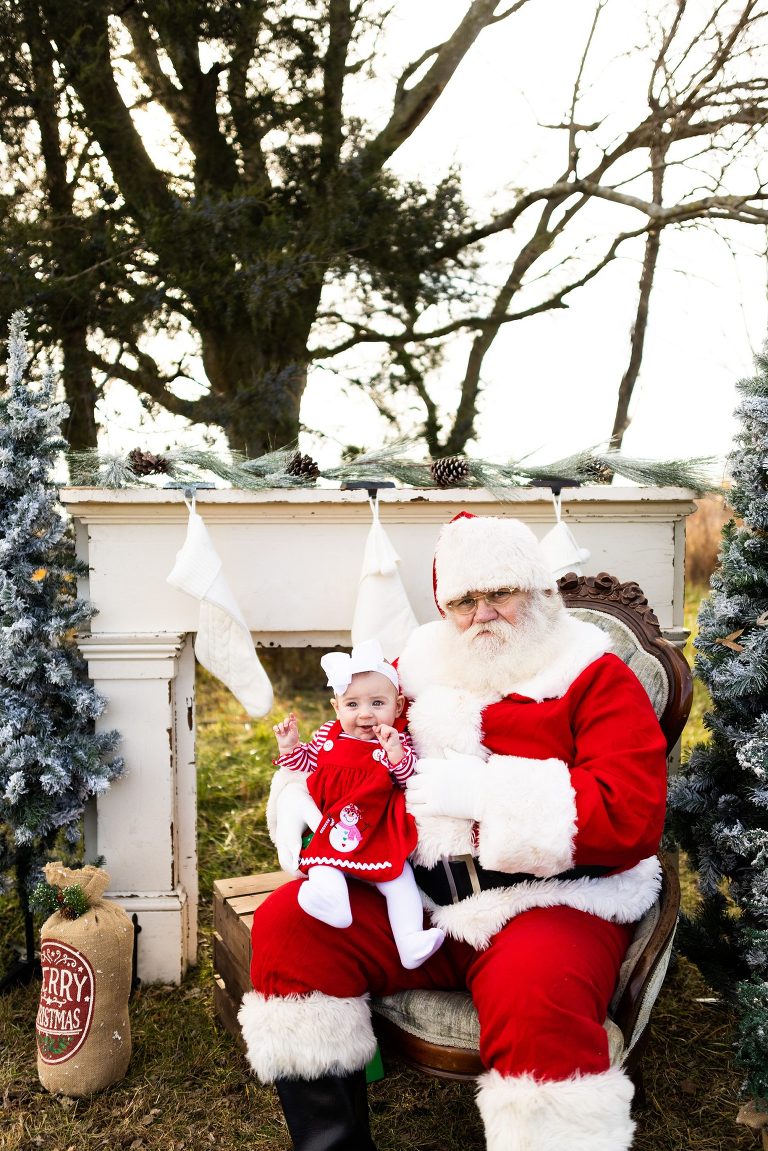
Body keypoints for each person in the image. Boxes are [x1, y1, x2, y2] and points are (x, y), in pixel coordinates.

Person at [239, 513, 668, 1151]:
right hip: (425, 902)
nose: (483, 613)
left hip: (548, 900)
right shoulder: (418, 668)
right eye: (465, 601)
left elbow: (630, 813)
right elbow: (355, 732)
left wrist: (479, 793)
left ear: (541, 591)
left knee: (536, 996)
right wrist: (300, 781)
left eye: (500, 592)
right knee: (289, 928)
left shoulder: (595, 677)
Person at [271, 638, 444, 969]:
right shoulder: (328, 735)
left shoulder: (397, 738)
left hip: (377, 824)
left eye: (377, 703)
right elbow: (308, 764)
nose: (365, 714)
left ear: (398, 705)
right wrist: (290, 746)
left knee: (398, 877)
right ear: (336, 707)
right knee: (323, 861)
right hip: (333, 822)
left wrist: (395, 752)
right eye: (352, 705)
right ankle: (332, 902)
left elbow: (405, 777)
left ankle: (410, 941)